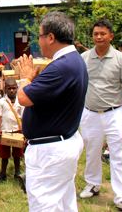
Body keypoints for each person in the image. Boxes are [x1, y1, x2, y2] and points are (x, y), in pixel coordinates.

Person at [16, 11, 87, 212]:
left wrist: (25, 78)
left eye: (39, 36)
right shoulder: (74, 60)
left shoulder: (61, 67)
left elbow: (24, 98)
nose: (38, 42)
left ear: (50, 37)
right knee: (64, 203)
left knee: (44, 205)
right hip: (61, 143)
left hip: (50, 151)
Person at [79, 19, 122, 212]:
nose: (99, 37)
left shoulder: (121, 58)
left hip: (114, 114)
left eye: (103, 34)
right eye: (96, 34)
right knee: (91, 151)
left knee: (118, 155)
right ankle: (92, 184)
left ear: (111, 36)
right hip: (89, 113)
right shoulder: (84, 58)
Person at [0, 78, 24, 188]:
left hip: (17, 130)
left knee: (17, 154)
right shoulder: (1, 102)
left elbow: (23, 117)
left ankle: (17, 172)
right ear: (5, 89)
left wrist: (24, 131)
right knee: (4, 155)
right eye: (9, 88)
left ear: (17, 88)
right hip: (5, 131)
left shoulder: (21, 101)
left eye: (14, 88)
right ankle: (3, 173)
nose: (12, 90)